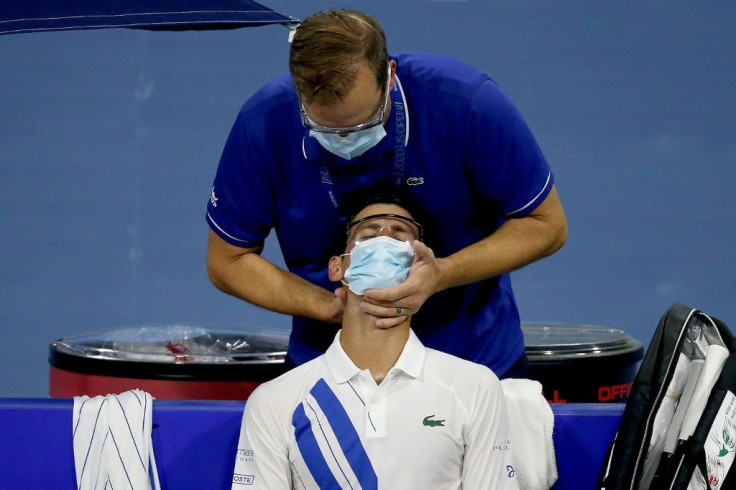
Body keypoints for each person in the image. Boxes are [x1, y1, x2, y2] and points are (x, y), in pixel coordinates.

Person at [206, 9, 567, 378]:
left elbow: (546, 224)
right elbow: (227, 261)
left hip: (474, 361)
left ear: (390, 76)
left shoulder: (465, 102)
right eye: (324, 129)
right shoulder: (264, 123)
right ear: (300, 96)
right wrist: (331, 306)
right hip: (328, 365)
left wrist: (441, 273)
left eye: (362, 124)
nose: (346, 141)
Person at [231, 197, 518, 489]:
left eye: (399, 235)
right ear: (337, 268)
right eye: (367, 235)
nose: (383, 239)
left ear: (423, 268)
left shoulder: (475, 387)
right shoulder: (275, 400)